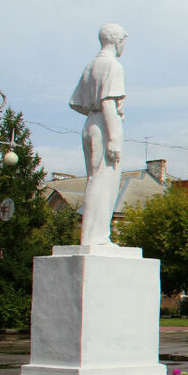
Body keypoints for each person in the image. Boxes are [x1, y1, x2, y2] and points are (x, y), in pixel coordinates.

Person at [70, 23, 127, 247]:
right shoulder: (113, 65)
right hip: (105, 124)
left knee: (95, 179)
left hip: (91, 123)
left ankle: (92, 236)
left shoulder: (92, 65)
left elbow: (77, 102)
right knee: (104, 181)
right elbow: (108, 102)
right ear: (117, 41)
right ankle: (97, 237)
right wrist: (113, 137)